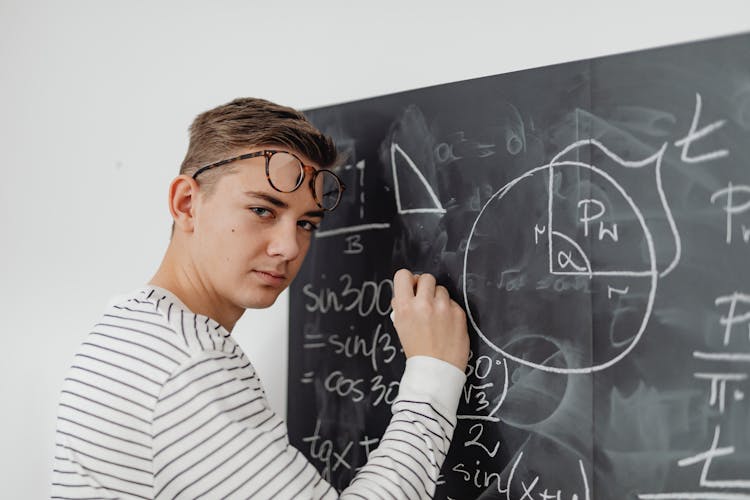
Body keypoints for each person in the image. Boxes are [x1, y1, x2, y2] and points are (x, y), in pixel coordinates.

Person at [51, 97, 469, 499]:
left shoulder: (134, 327)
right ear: (186, 204)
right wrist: (433, 377)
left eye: (306, 222)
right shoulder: (186, 364)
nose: (289, 246)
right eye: (263, 211)